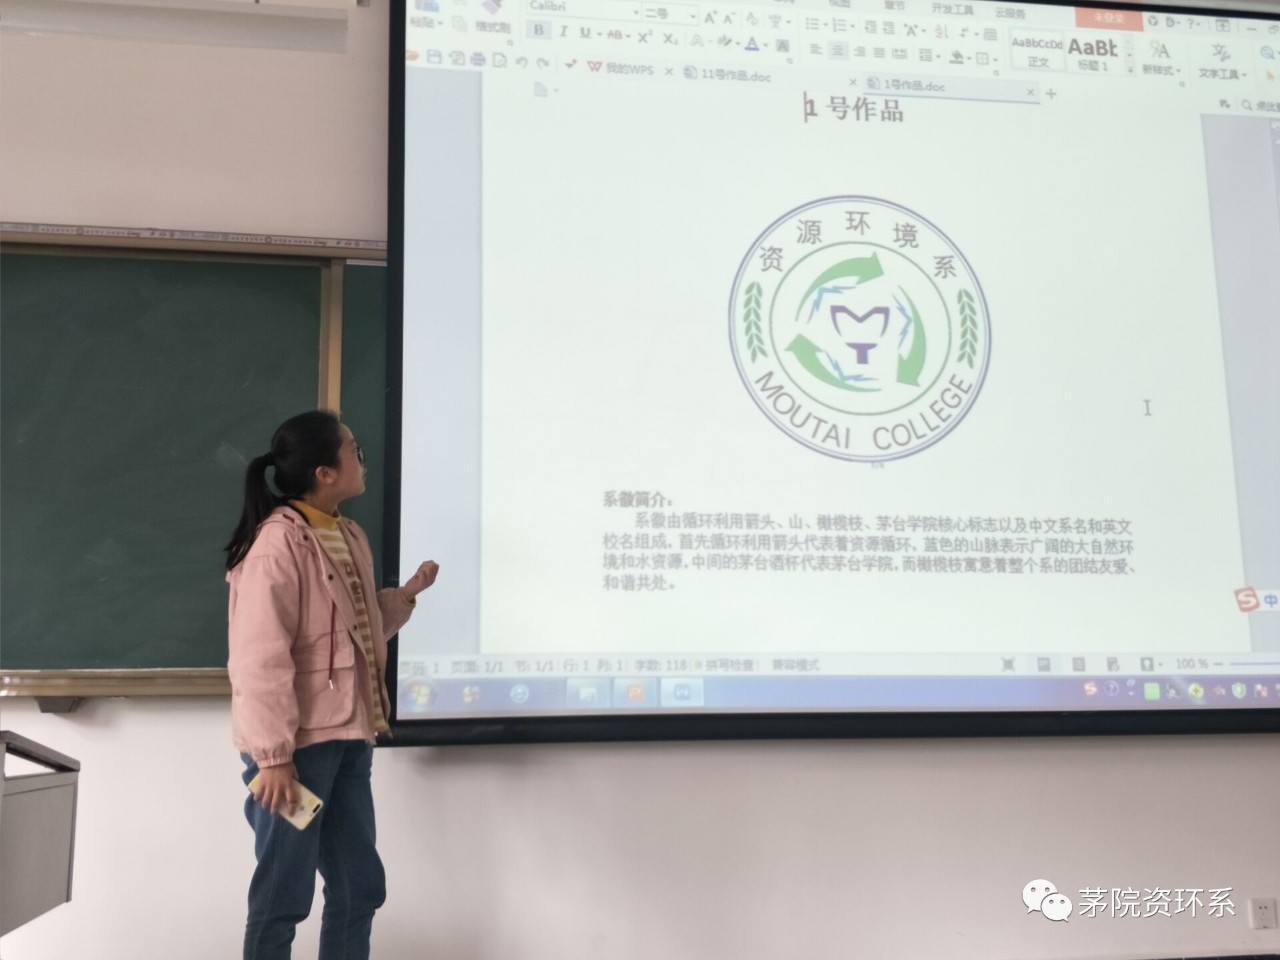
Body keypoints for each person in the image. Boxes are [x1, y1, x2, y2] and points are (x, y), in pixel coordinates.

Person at [224, 410, 438, 960]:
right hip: (294, 755)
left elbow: (351, 635)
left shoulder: (348, 534)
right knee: (283, 893)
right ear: (324, 472)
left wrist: (403, 597)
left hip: (347, 737)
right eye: (353, 450)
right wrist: (273, 757)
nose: (362, 459)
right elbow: (258, 659)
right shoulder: (277, 544)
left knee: (359, 885)